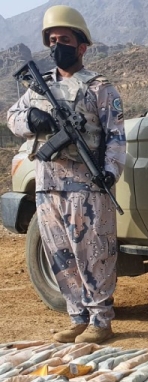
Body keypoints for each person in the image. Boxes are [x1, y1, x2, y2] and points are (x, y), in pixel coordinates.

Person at [7, 5, 125, 345]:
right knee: (60, 254)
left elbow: (116, 136)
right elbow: (13, 118)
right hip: (47, 185)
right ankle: (77, 317)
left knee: (93, 253)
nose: (58, 45)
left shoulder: (99, 87)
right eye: (53, 40)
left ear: (82, 46)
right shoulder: (39, 87)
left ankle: (100, 320)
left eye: (65, 39)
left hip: (85, 186)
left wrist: (109, 172)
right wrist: (32, 121)